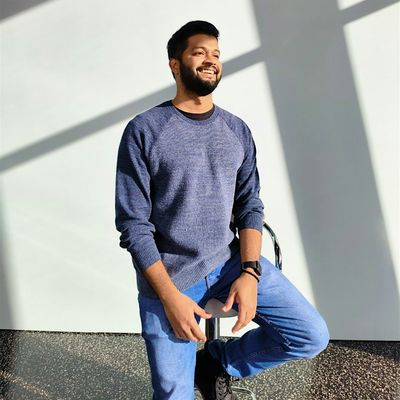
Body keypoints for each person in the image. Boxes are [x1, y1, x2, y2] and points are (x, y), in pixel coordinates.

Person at [115, 20, 330, 400]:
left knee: (310, 335)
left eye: (215, 53)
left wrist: (249, 271)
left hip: (228, 262)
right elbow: (133, 225)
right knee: (172, 394)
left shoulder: (236, 130)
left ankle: (216, 361)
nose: (211, 60)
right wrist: (169, 297)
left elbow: (250, 205)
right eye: (199, 52)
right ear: (175, 64)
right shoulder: (144, 130)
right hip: (170, 275)